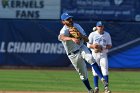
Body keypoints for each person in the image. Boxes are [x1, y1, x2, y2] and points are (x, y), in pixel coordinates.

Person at [58, 13, 109, 93]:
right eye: (67, 19)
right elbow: (61, 37)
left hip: (82, 47)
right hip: (73, 54)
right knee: (83, 74)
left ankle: (102, 79)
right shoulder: (64, 30)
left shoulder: (77, 26)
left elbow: (87, 39)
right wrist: (72, 39)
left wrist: (80, 35)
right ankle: (90, 89)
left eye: (70, 18)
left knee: (91, 59)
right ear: (63, 22)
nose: (70, 20)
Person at [87, 21, 112, 93]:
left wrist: (102, 47)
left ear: (103, 27)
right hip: (95, 55)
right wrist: (94, 46)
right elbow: (88, 45)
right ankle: (96, 87)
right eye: (99, 26)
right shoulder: (92, 34)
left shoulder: (107, 34)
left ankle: (106, 88)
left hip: (103, 54)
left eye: (101, 26)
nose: (100, 28)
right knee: (95, 72)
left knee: (105, 70)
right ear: (96, 27)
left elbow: (110, 45)